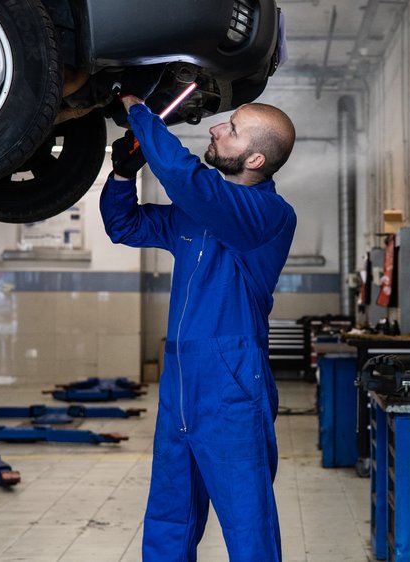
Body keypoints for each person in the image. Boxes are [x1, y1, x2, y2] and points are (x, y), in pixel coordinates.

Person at [100, 94, 297, 561]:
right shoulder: (196, 214)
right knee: (169, 515)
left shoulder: (269, 216)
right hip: (181, 385)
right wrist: (123, 175)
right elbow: (125, 226)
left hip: (231, 388)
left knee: (247, 524)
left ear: (254, 159)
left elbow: (191, 183)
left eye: (231, 128)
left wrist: (142, 115)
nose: (215, 130)